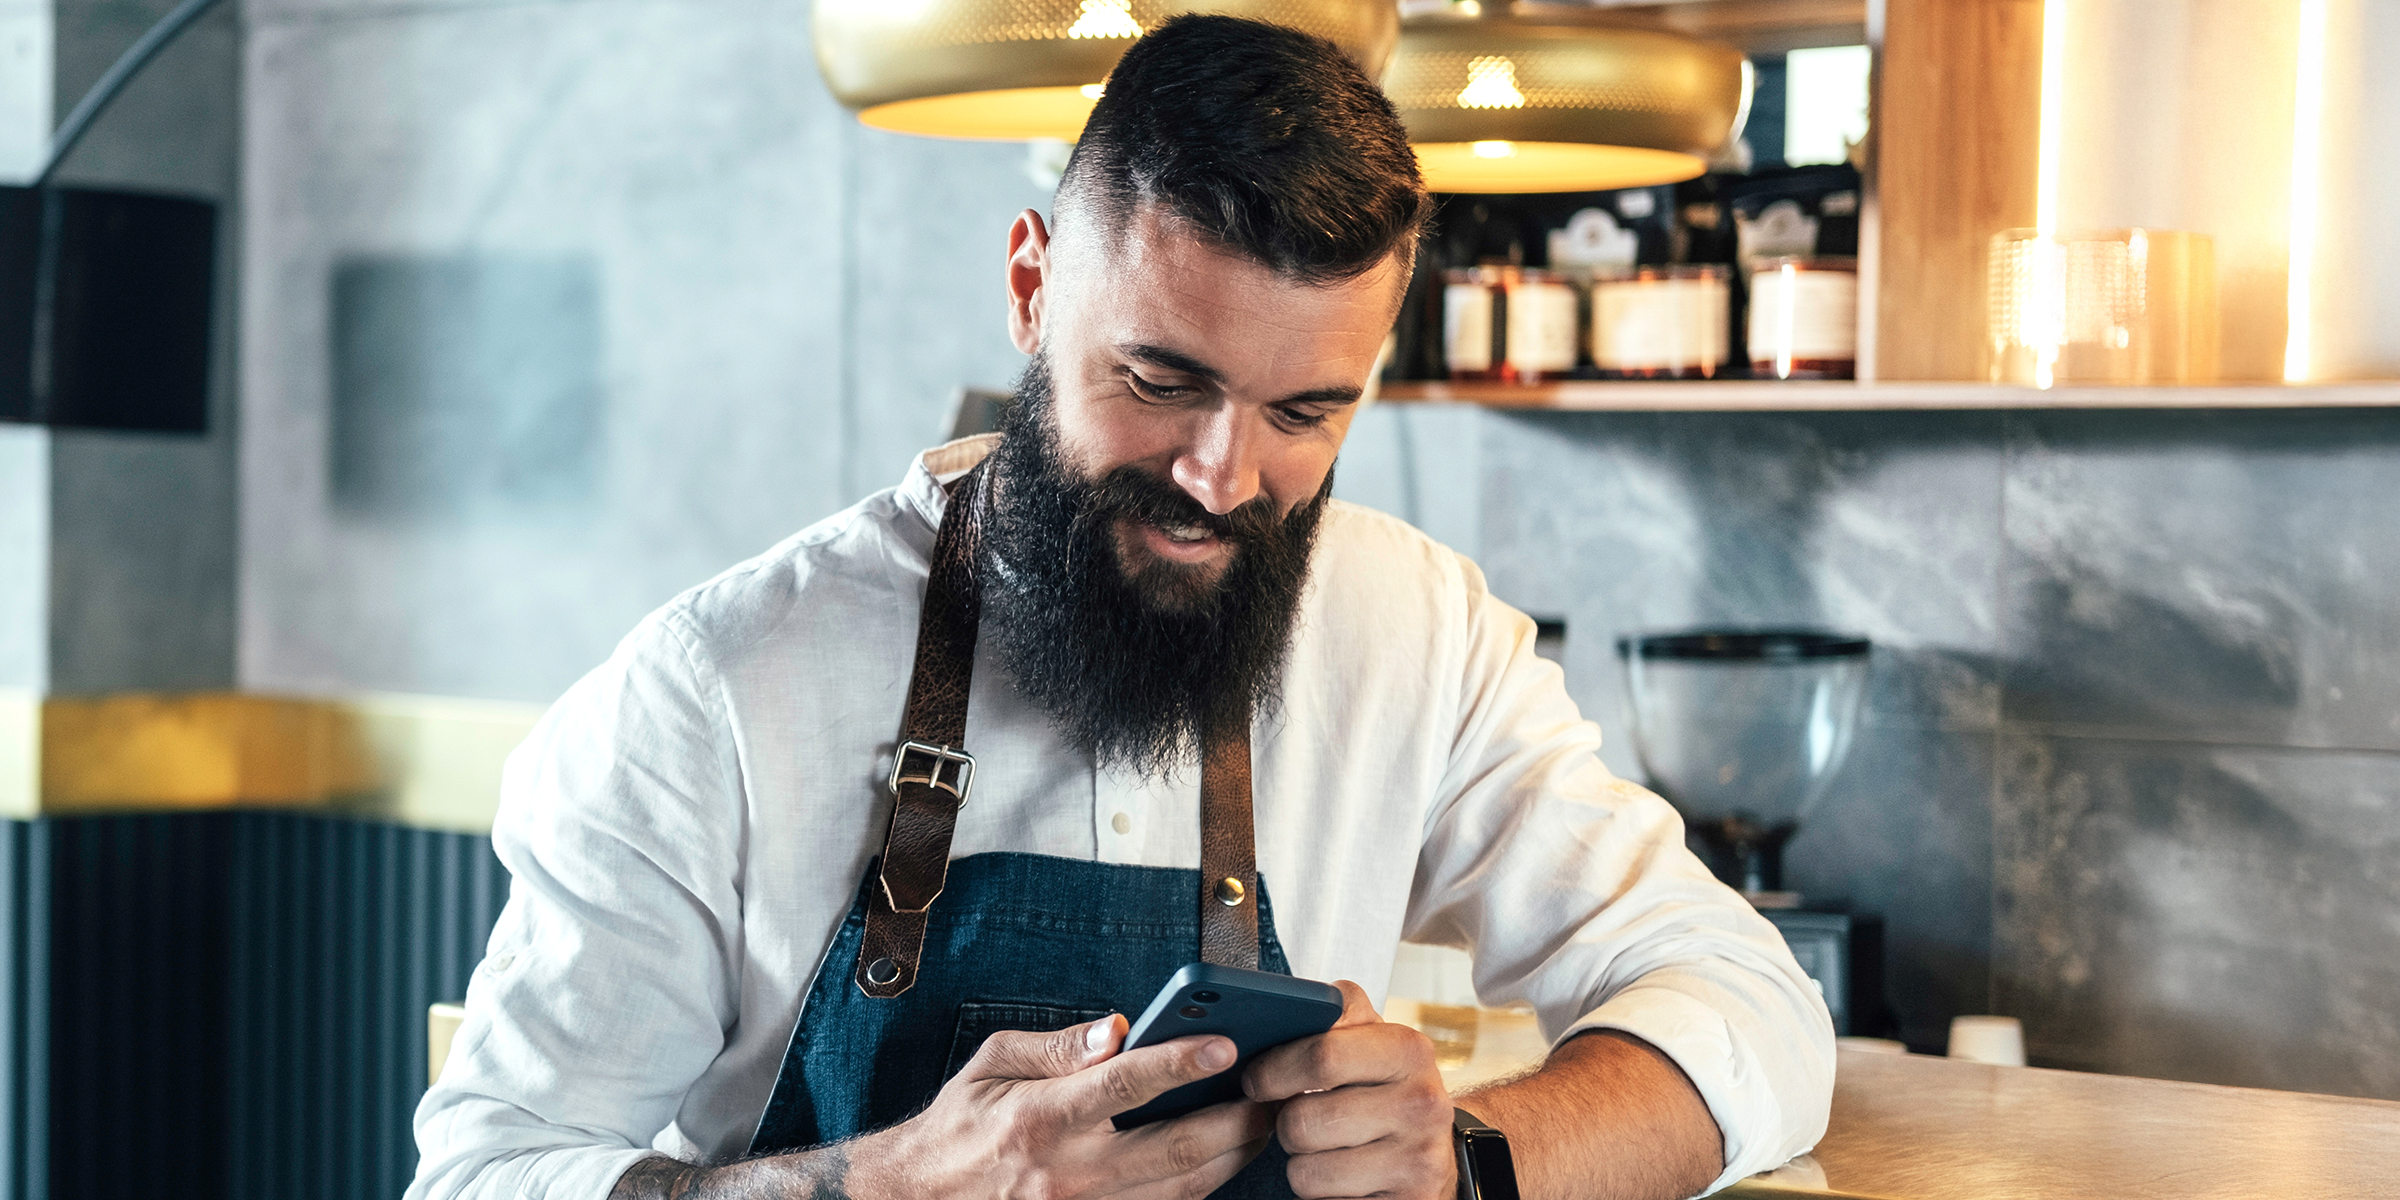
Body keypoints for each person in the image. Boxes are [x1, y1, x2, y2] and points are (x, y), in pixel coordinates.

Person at [409, 15, 1832, 1200]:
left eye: (1306, 412)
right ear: (1032, 285)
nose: (1224, 477)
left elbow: (1755, 1012)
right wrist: (880, 1187)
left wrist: (1468, 1162)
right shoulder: (716, 686)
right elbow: (484, 1173)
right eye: (1161, 382)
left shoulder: (1415, 632)